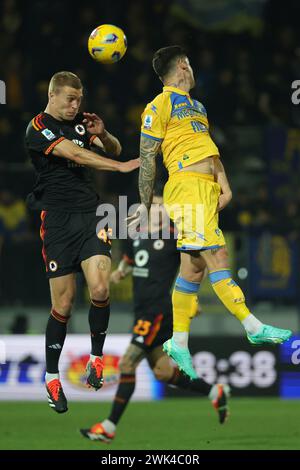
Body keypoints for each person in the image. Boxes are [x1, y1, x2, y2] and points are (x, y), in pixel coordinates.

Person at [133, 46, 292, 379]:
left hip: (205, 187)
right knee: (217, 254)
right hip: (186, 186)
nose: (192, 70)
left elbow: (209, 150)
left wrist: (225, 184)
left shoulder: (197, 107)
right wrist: (145, 205)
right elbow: (147, 157)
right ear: (182, 67)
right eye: (189, 65)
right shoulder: (158, 105)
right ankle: (252, 325)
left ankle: (178, 342)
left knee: (193, 270)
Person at [25, 71, 139, 413]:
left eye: (79, 99)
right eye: (70, 99)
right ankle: (51, 378)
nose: (76, 106)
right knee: (64, 304)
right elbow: (75, 156)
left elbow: (114, 147)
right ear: (53, 96)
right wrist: (117, 168)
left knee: (101, 289)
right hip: (57, 221)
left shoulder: (79, 126)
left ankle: (96, 358)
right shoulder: (38, 128)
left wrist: (102, 134)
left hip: (92, 215)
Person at [80, 192, 230, 443]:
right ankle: (214, 390)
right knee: (162, 372)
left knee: (127, 364)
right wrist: (120, 272)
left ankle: (108, 427)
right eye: (154, 205)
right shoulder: (137, 233)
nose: (156, 208)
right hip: (142, 311)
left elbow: (196, 266)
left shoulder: (174, 236)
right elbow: (130, 258)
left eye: (162, 205)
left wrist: (192, 297)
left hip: (158, 311)